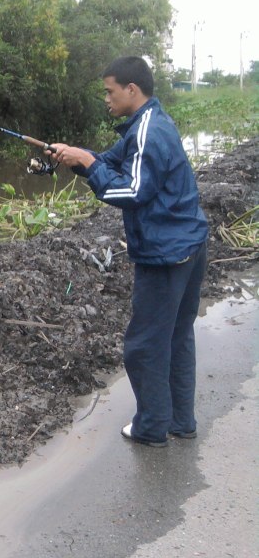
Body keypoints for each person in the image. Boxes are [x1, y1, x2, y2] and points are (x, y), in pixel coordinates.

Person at [49, 56, 208, 448]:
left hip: (166, 255)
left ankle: (152, 427)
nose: (106, 98)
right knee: (175, 336)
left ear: (131, 90)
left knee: (143, 345)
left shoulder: (150, 132)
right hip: (188, 245)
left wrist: (90, 165)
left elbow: (132, 192)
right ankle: (180, 421)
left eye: (109, 91)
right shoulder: (148, 123)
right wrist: (79, 158)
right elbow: (114, 161)